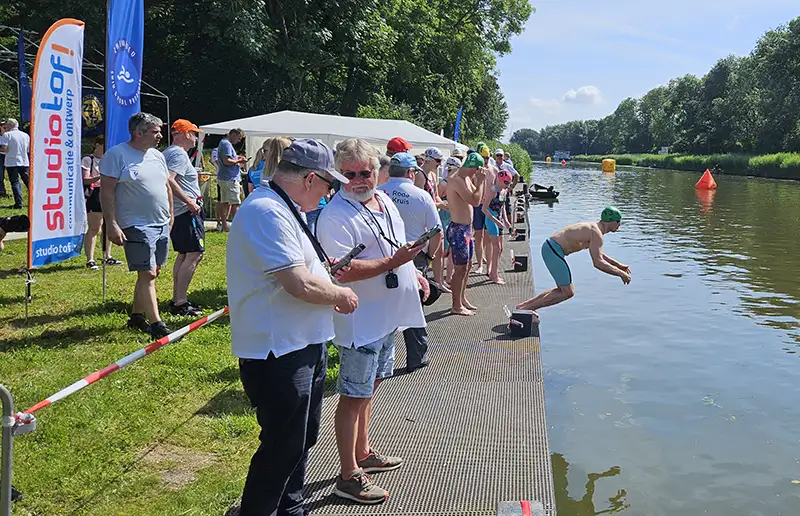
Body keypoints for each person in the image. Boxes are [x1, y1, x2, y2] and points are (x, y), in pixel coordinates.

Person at [227, 138, 358, 516]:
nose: (329, 193)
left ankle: (291, 508)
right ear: (309, 179)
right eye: (328, 185)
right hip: (278, 349)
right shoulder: (267, 211)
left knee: (300, 440)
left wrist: (324, 269)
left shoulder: (284, 207)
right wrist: (339, 294)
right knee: (281, 446)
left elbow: (298, 268)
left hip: (300, 343)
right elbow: (297, 283)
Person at [316, 138, 428, 504]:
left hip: (388, 317)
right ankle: (348, 475)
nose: (360, 180)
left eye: (366, 172)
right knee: (352, 396)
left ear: (376, 170)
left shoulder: (383, 201)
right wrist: (395, 264)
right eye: (350, 174)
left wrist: (415, 274)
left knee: (371, 389)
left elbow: (396, 246)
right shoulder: (336, 214)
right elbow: (342, 270)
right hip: (360, 321)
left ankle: (364, 453)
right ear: (338, 175)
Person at [100, 112, 174, 338]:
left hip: (161, 222)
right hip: (135, 224)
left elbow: (167, 186)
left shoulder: (157, 156)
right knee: (148, 273)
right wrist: (112, 224)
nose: (160, 135)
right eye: (155, 131)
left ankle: (137, 316)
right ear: (138, 132)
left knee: (152, 271)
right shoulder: (116, 155)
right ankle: (157, 325)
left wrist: (171, 215)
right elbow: (107, 193)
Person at [378, 151, 443, 372]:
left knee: (381, 305)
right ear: (410, 172)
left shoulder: (378, 193)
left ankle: (379, 359)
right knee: (414, 308)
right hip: (415, 257)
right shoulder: (422, 196)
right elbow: (436, 232)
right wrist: (431, 256)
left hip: (382, 256)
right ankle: (416, 358)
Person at [516, 207, 632, 320]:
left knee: (563, 290)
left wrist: (619, 266)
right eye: (618, 221)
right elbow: (598, 262)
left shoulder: (594, 228)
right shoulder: (596, 233)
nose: (619, 225)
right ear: (610, 221)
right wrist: (621, 274)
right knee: (567, 292)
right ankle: (525, 311)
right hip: (553, 251)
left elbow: (600, 255)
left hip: (550, 248)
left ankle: (522, 307)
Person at [164, 119, 206, 317]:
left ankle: (178, 298)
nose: (196, 138)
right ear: (184, 134)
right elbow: (170, 179)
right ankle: (180, 301)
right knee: (194, 253)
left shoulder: (171, 153)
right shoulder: (178, 154)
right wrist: (190, 202)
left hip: (181, 211)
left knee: (184, 254)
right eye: (193, 133)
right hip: (186, 212)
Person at [446, 152, 486, 316]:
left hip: (466, 229)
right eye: (477, 170)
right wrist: (481, 182)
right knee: (460, 268)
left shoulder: (467, 178)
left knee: (467, 266)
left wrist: (478, 182)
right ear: (472, 167)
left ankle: (462, 298)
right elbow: (475, 201)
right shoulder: (457, 180)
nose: (477, 173)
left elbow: (478, 199)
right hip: (458, 230)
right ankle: (456, 305)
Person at [82, 136, 123, 270]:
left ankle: (107, 256)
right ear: (97, 145)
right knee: (94, 227)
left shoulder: (110, 160)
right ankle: (90, 259)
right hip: (95, 193)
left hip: (111, 192)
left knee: (108, 225)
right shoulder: (89, 160)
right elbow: (85, 179)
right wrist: (102, 176)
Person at [482, 169, 512, 284]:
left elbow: (502, 207)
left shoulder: (504, 191)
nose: (507, 185)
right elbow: (484, 209)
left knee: (500, 248)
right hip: (490, 219)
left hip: (498, 219)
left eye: (509, 183)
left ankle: (494, 271)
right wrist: (496, 220)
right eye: (506, 182)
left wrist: (506, 220)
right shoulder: (492, 191)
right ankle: (493, 275)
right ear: (500, 180)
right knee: (496, 247)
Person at [215, 128, 247, 231]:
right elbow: (227, 161)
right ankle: (238, 227)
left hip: (223, 178)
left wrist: (237, 157)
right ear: (233, 134)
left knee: (224, 202)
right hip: (230, 178)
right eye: (238, 138)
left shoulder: (223, 143)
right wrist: (239, 161)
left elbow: (229, 157)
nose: (238, 141)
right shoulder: (227, 144)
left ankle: (224, 226)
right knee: (235, 203)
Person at [472, 143, 496, 275]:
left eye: (487, 158)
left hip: (489, 206)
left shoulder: (494, 170)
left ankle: (489, 266)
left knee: (488, 237)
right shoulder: (474, 172)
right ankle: (480, 264)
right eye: (483, 158)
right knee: (478, 236)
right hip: (478, 206)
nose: (485, 161)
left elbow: (500, 187)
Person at [438, 157, 462, 286]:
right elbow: (436, 198)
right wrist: (444, 202)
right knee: (443, 250)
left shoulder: (456, 182)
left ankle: (449, 277)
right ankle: (441, 278)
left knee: (452, 249)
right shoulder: (443, 183)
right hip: (444, 215)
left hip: (454, 215)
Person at [0, 118, 29, 209]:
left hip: (12, 162)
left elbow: (4, 149)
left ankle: (19, 203)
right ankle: (36, 199)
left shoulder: (7, 135)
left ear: (9, 126)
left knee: (15, 182)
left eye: (6, 125)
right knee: (27, 181)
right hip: (24, 161)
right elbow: (27, 149)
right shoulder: (25, 135)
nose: (5, 127)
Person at [0, 122, 7, 198]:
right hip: (1, 156)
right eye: (3, 127)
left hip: (10, 156)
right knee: (1, 175)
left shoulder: (9, 135)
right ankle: (2, 192)